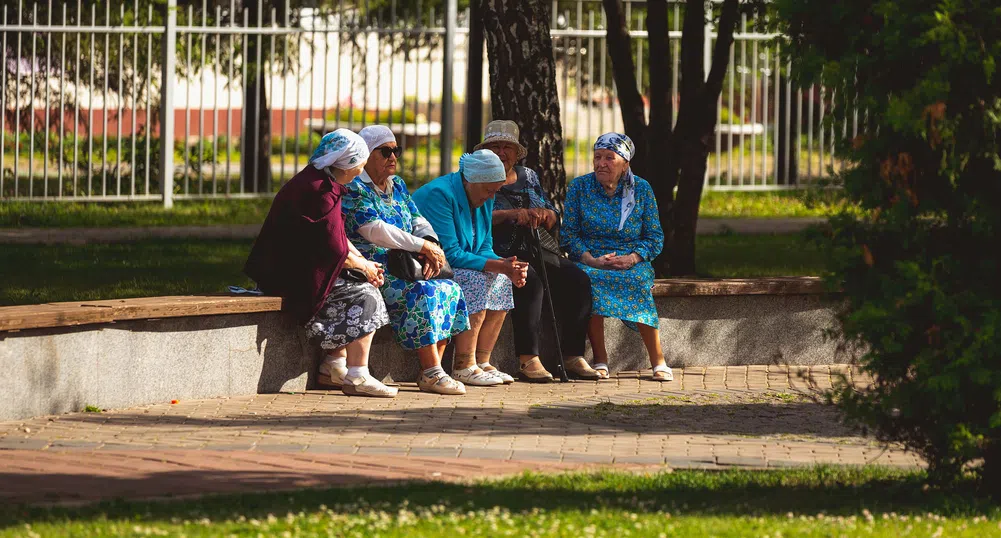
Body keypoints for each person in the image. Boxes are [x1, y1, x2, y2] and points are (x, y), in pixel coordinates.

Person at [243, 128, 398, 398]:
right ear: (348, 163)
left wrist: (363, 262)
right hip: (288, 276)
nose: (359, 171)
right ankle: (357, 376)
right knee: (366, 294)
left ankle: (335, 366)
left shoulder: (321, 181)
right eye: (359, 165)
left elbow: (335, 233)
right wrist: (365, 268)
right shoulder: (318, 191)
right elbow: (332, 248)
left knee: (360, 281)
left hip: (298, 267)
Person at [341, 125, 470, 395]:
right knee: (422, 291)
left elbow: (417, 219)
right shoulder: (355, 186)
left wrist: (432, 245)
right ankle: (433, 371)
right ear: (366, 155)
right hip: (376, 266)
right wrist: (421, 245)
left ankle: (432, 371)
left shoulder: (396, 185)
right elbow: (374, 230)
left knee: (449, 288)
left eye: (395, 150)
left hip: (408, 262)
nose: (393, 157)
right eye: (385, 151)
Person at [412, 150, 550, 384]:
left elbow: (485, 245)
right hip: (428, 265)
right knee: (475, 279)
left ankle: (482, 361)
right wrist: (499, 265)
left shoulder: (483, 195)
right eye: (488, 190)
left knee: (501, 279)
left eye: (494, 191)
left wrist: (507, 267)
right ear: (471, 181)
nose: (491, 197)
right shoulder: (441, 194)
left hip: (457, 262)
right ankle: (463, 364)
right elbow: (451, 254)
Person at [478, 120, 599, 380]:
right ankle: (528, 358)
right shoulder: (476, 176)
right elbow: (474, 216)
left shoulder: (528, 176)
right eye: (495, 147)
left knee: (577, 279)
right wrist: (510, 215)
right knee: (529, 280)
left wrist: (545, 214)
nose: (501, 153)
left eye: (507, 147)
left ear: (516, 152)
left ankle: (573, 356)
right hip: (496, 249)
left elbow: (552, 214)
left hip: (535, 246)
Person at [560, 133, 673, 382]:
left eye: (609, 158)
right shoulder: (580, 187)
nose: (601, 163)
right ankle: (600, 360)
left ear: (625, 164)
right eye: (597, 157)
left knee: (636, 281)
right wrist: (590, 259)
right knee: (587, 280)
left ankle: (658, 360)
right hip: (591, 258)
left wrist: (632, 258)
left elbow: (655, 237)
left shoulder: (641, 189)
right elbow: (568, 235)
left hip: (631, 259)